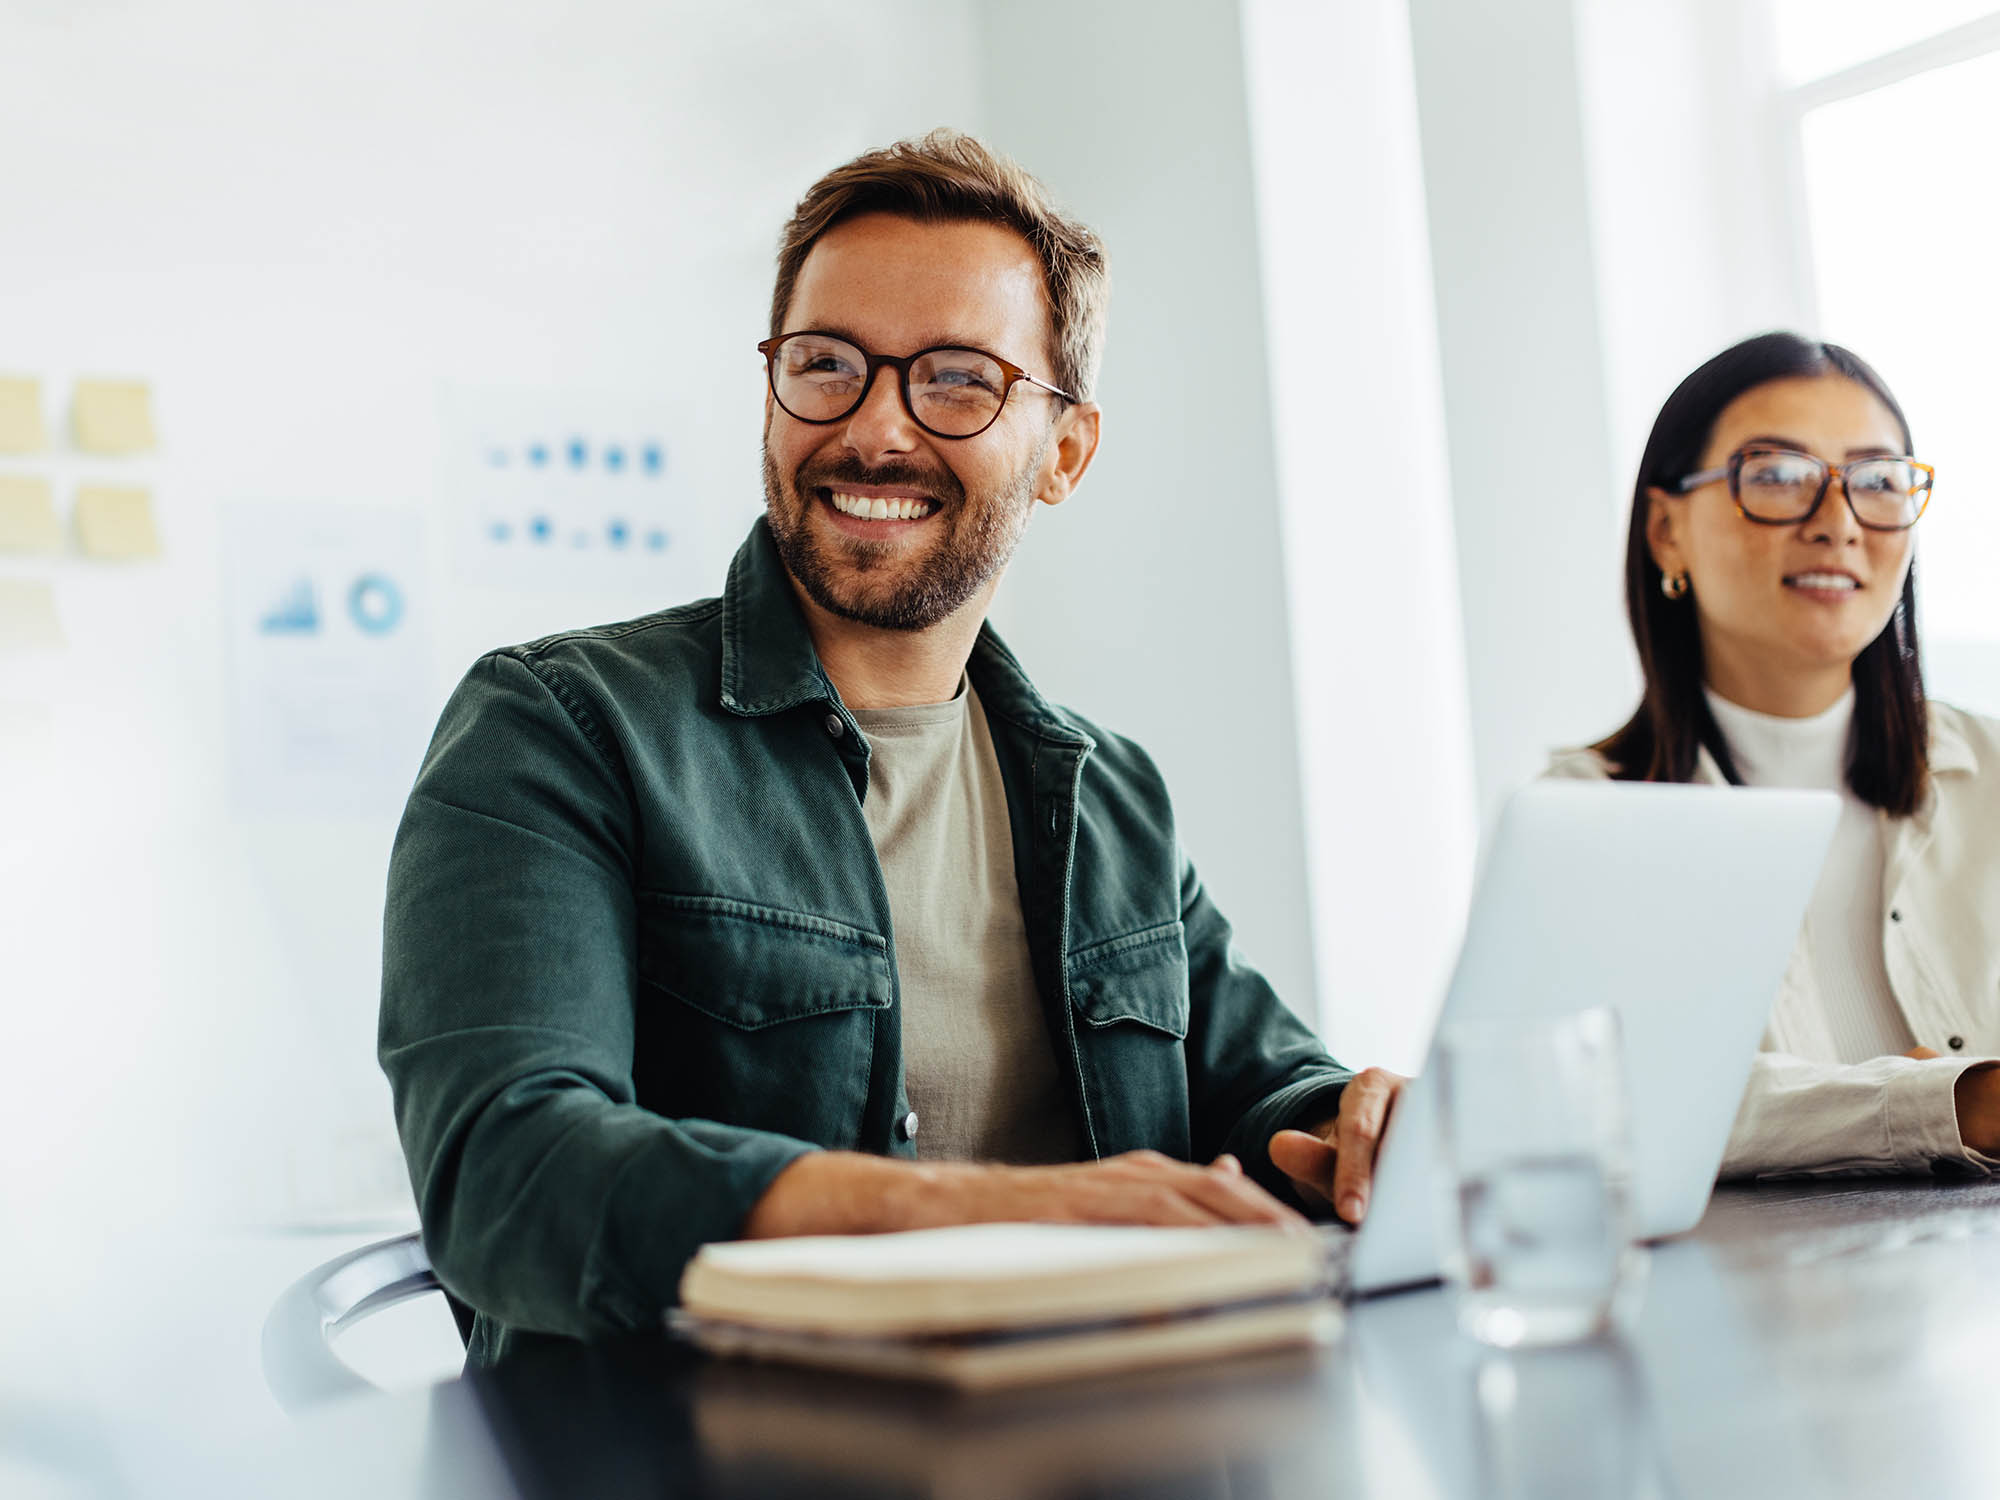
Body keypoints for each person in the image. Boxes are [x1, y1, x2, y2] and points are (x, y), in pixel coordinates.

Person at [379, 129, 1402, 1366]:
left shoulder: (1106, 792)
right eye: (826, 365)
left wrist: (1352, 1124)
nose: (874, 429)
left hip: (1111, 1435)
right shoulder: (558, 727)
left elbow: (1262, 1088)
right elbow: (508, 1178)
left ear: (1063, 452)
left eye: (958, 380)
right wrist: (972, 1214)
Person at [1549, 331, 2000, 1178]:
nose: (1837, 523)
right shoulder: (1583, 819)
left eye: (1877, 481)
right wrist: (1955, 1101)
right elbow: (1612, 1104)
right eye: (1780, 476)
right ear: (1665, 530)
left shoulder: (1994, 772)